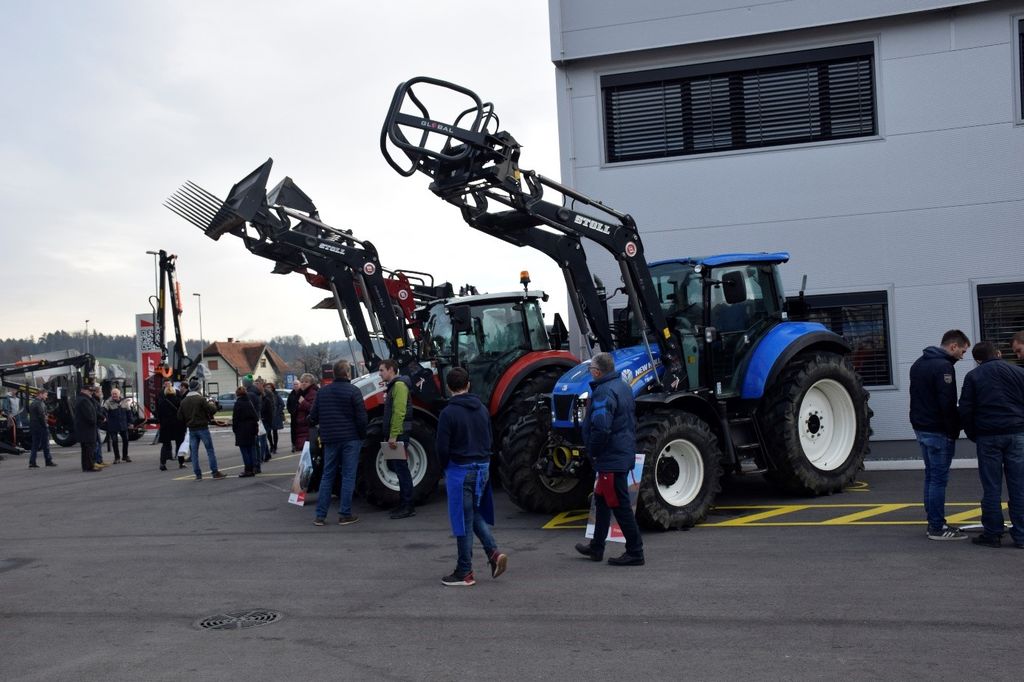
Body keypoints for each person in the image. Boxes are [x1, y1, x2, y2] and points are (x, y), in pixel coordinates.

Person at [436, 367, 507, 586]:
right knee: (472, 513)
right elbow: (490, 438)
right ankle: (493, 553)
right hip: (482, 467)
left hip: (460, 469)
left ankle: (465, 571)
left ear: (448, 387)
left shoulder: (448, 413)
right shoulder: (482, 409)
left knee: (462, 520)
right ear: (468, 384)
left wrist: (445, 467)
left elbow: (441, 448)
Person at [574, 352, 644, 566]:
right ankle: (596, 547)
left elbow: (601, 427)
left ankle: (635, 551)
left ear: (596, 372)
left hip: (610, 457)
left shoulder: (603, 392)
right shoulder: (623, 386)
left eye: (591, 370)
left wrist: (593, 451)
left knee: (620, 505)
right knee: (602, 501)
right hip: (620, 452)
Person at [957, 340, 1024, 549]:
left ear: (978, 360)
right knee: (1019, 485)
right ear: (998, 353)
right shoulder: (1018, 372)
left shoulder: (973, 376)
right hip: (1016, 433)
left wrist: (973, 433)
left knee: (992, 486)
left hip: (987, 436)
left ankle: (993, 533)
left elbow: (965, 409)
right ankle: (1022, 535)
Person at [909, 329, 970, 541]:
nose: (962, 356)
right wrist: (954, 430)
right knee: (938, 480)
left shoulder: (919, 363)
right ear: (953, 346)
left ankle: (933, 522)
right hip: (938, 431)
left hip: (922, 427)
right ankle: (936, 526)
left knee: (931, 477)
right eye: (962, 351)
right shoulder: (944, 367)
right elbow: (947, 403)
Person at [310, 360, 367, 526]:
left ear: (334, 374)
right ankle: (345, 514)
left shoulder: (322, 392)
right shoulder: (353, 391)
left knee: (327, 475)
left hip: (330, 439)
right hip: (351, 438)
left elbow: (313, 416)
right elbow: (361, 418)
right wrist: (362, 435)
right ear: (348, 373)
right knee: (348, 476)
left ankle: (320, 516)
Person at [380, 359, 415, 519]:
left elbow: (399, 412)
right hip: (397, 433)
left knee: (402, 470)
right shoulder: (394, 386)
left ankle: (408, 506)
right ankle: (403, 504)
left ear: (391, 370)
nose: (380, 374)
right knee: (399, 469)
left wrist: (393, 435)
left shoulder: (399, 386)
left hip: (399, 434)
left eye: (382, 370)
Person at [177, 378, 225, 480]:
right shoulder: (200, 399)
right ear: (198, 388)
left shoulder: (184, 401)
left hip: (192, 428)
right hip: (202, 427)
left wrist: (188, 420)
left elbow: (179, 417)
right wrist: (212, 404)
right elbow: (212, 410)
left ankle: (198, 474)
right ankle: (215, 472)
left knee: (194, 453)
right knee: (210, 450)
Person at [156, 382, 186, 470]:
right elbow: (182, 413)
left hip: (166, 426)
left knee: (165, 445)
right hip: (178, 425)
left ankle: (162, 463)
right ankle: (181, 463)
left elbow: (159, 415)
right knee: (179, 444)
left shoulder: (162, 403)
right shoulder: (179, 401)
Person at [232, 385, 260, 478]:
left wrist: (234, 429)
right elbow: (255, 417)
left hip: (241, 429)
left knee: (244, 451)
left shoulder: (238, 404)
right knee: (251, 450)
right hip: (251, 428)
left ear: (237, 394)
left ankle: (248, 469)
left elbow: (235, 418)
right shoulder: (249, 402)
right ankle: (253, 468)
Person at [74, 384, 102, 472]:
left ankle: (86, 466)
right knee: (89, 448)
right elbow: (89, 415)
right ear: (83, 390)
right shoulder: (84, 400)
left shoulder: (84, 399)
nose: (91, 393)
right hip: (87, 428)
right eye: (90, 391)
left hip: (84, 428)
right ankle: (89, 466)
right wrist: (95, 422)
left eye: (92, 391)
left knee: (86, 448)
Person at [101, 387, 133, 463]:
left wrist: (130, 423)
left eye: (115, 394)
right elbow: (104, 411)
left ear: (119, 394)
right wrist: (103, 417)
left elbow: (129, 413)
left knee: (126, 440)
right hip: (113, 425)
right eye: (113, 394)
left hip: (123, 424)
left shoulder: (124, 401)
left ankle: (125, 456)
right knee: (114, 441)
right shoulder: (108, 402)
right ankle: (117, 457)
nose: (114, 395)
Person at [27, 389, 55, 468]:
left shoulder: (33, 403)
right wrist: (45, 425)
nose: (46, 397)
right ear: (40, 394)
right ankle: (48, 461)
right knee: (45, 444)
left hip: (34, 426)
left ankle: (32, 462)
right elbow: (41, 415)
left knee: (35, 445)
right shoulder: (39, 403)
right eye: (45, 395)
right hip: (41, 426)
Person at [292, 373, 318, 451]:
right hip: (302, 428)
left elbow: (313, 409)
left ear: (311, 383)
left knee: (308, 451)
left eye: (306, 382)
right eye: (302, 381)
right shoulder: (301, 393)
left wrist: (303, 402)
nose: (303, 383)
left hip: (308, 427)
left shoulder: (312, 393)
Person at [267, 382, 284, 455]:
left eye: (269, 387)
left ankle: (275, 446)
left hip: (275, 416)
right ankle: (271, 445)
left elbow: (282, 404)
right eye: (267, 387)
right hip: (268, 416)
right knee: (268, 432)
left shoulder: (276, 395)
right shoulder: (265, 395)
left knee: (274, 431)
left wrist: (278, 411)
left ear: (272, 388)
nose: (268, 389)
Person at [287, 383, 301, 452]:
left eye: (297, 384)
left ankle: (300, 444)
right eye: (294, 384)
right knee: (293, 431)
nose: (295, 385)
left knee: (300, 431)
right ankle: (294, 445)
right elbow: (288, 404)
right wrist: (291, 411)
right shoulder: (291, 394)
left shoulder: (302, 393)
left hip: (300, 416)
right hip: (293, 416)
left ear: (299, 385)